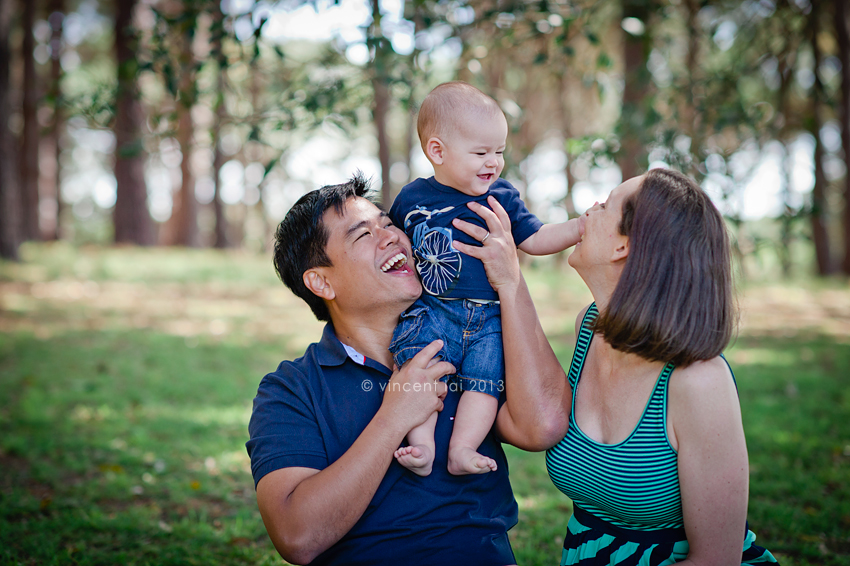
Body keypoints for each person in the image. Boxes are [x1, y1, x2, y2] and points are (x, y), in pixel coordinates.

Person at [452, 168, 779, 565]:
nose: (589, 209)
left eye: (604, 205)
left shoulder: (698, 382)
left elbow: (716, 559)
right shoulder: (589, 329)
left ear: (624, 246)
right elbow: (531, 416)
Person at [245, 174, 555, 566]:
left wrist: (510, 282)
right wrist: (396, 416)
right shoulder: (291, 389)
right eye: (363, 235)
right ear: (321, 281)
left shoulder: (466, 346)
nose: (392, 236)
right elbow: (297, 537)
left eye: (389, 224)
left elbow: (542, 425)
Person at [388, 81, 582, 477]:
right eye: (480, 152)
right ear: (437, 151)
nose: (492, 162)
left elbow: (538, 238)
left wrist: (581, 226)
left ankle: (462, 449)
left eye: (499, 152)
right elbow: (397, 248)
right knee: (421, 374)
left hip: (489, 320)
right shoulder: (411, 199)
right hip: (433, 310)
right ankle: (422, 445)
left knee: (483, 383)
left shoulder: (502, 197)